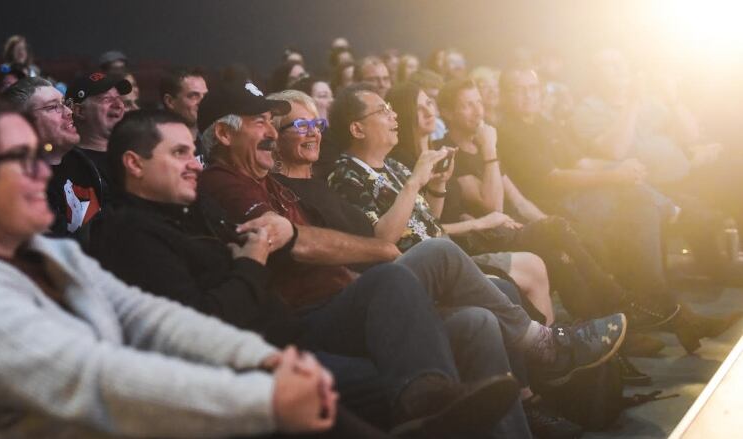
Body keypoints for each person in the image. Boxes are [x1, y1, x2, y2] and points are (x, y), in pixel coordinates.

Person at [92, 108, 525, 437]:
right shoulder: (131, 232)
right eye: (179, 153)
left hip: (300, 330)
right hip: (270, 351)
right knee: (410, 279)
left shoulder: (193, 212)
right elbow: (197, 326)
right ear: (134, 164)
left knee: (474, 322)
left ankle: (488, 409)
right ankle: (435, 396)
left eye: (192, 151)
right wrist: (250, 262)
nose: (194, 163)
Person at [0, 99, 350, 439]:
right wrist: (265, 399)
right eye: (18, 159)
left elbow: (150, 317)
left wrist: (261, 357)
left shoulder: (53, 255)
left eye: (39, 154)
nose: (43, 173)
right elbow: (93, 379)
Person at [268, 89, 587, 439]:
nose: (314, 131)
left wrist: (435, 187)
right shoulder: (333, 178)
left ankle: (529, 406)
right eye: (301, 124)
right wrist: (417, 185)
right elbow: (384, 241)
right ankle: (545, 355)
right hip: (362, 296)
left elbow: (419, 227)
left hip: (395, 274)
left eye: (317, 123)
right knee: (454, 259)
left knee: (481, 317)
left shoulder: (338, 180)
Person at [439, 76, 740, 353]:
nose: (477, 111)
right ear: (449, 113)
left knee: (610, 221)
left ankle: (653, 319)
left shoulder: (493, 141)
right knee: (579, 242)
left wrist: (550, 223)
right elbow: (492, 204)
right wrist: (491, 151)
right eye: (467, 105)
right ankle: (639, 320)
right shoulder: (456, 150)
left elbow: (517, 198)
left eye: (478, 102)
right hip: (490, 239)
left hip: (523, 223)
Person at [385, 82, 554, 324]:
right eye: (418, 108)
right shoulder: (401, 163)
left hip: (461, 240)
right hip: (456, 249)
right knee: (541, 254)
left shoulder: (439, 152)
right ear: (401, 114)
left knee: (553, 240)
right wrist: (480, 222)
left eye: (428, 104)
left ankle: (556, 338)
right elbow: (422, 229)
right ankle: (552, 342)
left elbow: (435, 218)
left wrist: (449, 197)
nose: (427, 111)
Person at [572, 48, 743, 228]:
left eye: (622, 62)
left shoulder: (651, 102)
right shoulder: (588, 109)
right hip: (652, 188)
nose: (621, 67)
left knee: (738, 173)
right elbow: (615, 151)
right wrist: (633, 102)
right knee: (703, 219)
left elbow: (691, 135)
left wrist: (672, 99)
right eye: (610, 64)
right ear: (593, 74)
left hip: (688, 173)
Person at [48, 71, 131, 239]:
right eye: (107, 99)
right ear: (79, 111)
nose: (119, 105)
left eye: (119, 99)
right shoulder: (60, 167)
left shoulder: (137, 157)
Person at [159, 68, 208, 159]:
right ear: (170, 101)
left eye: (205, 96)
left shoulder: (215, 143)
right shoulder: (158, 146)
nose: (203, 102)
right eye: (193, 96)